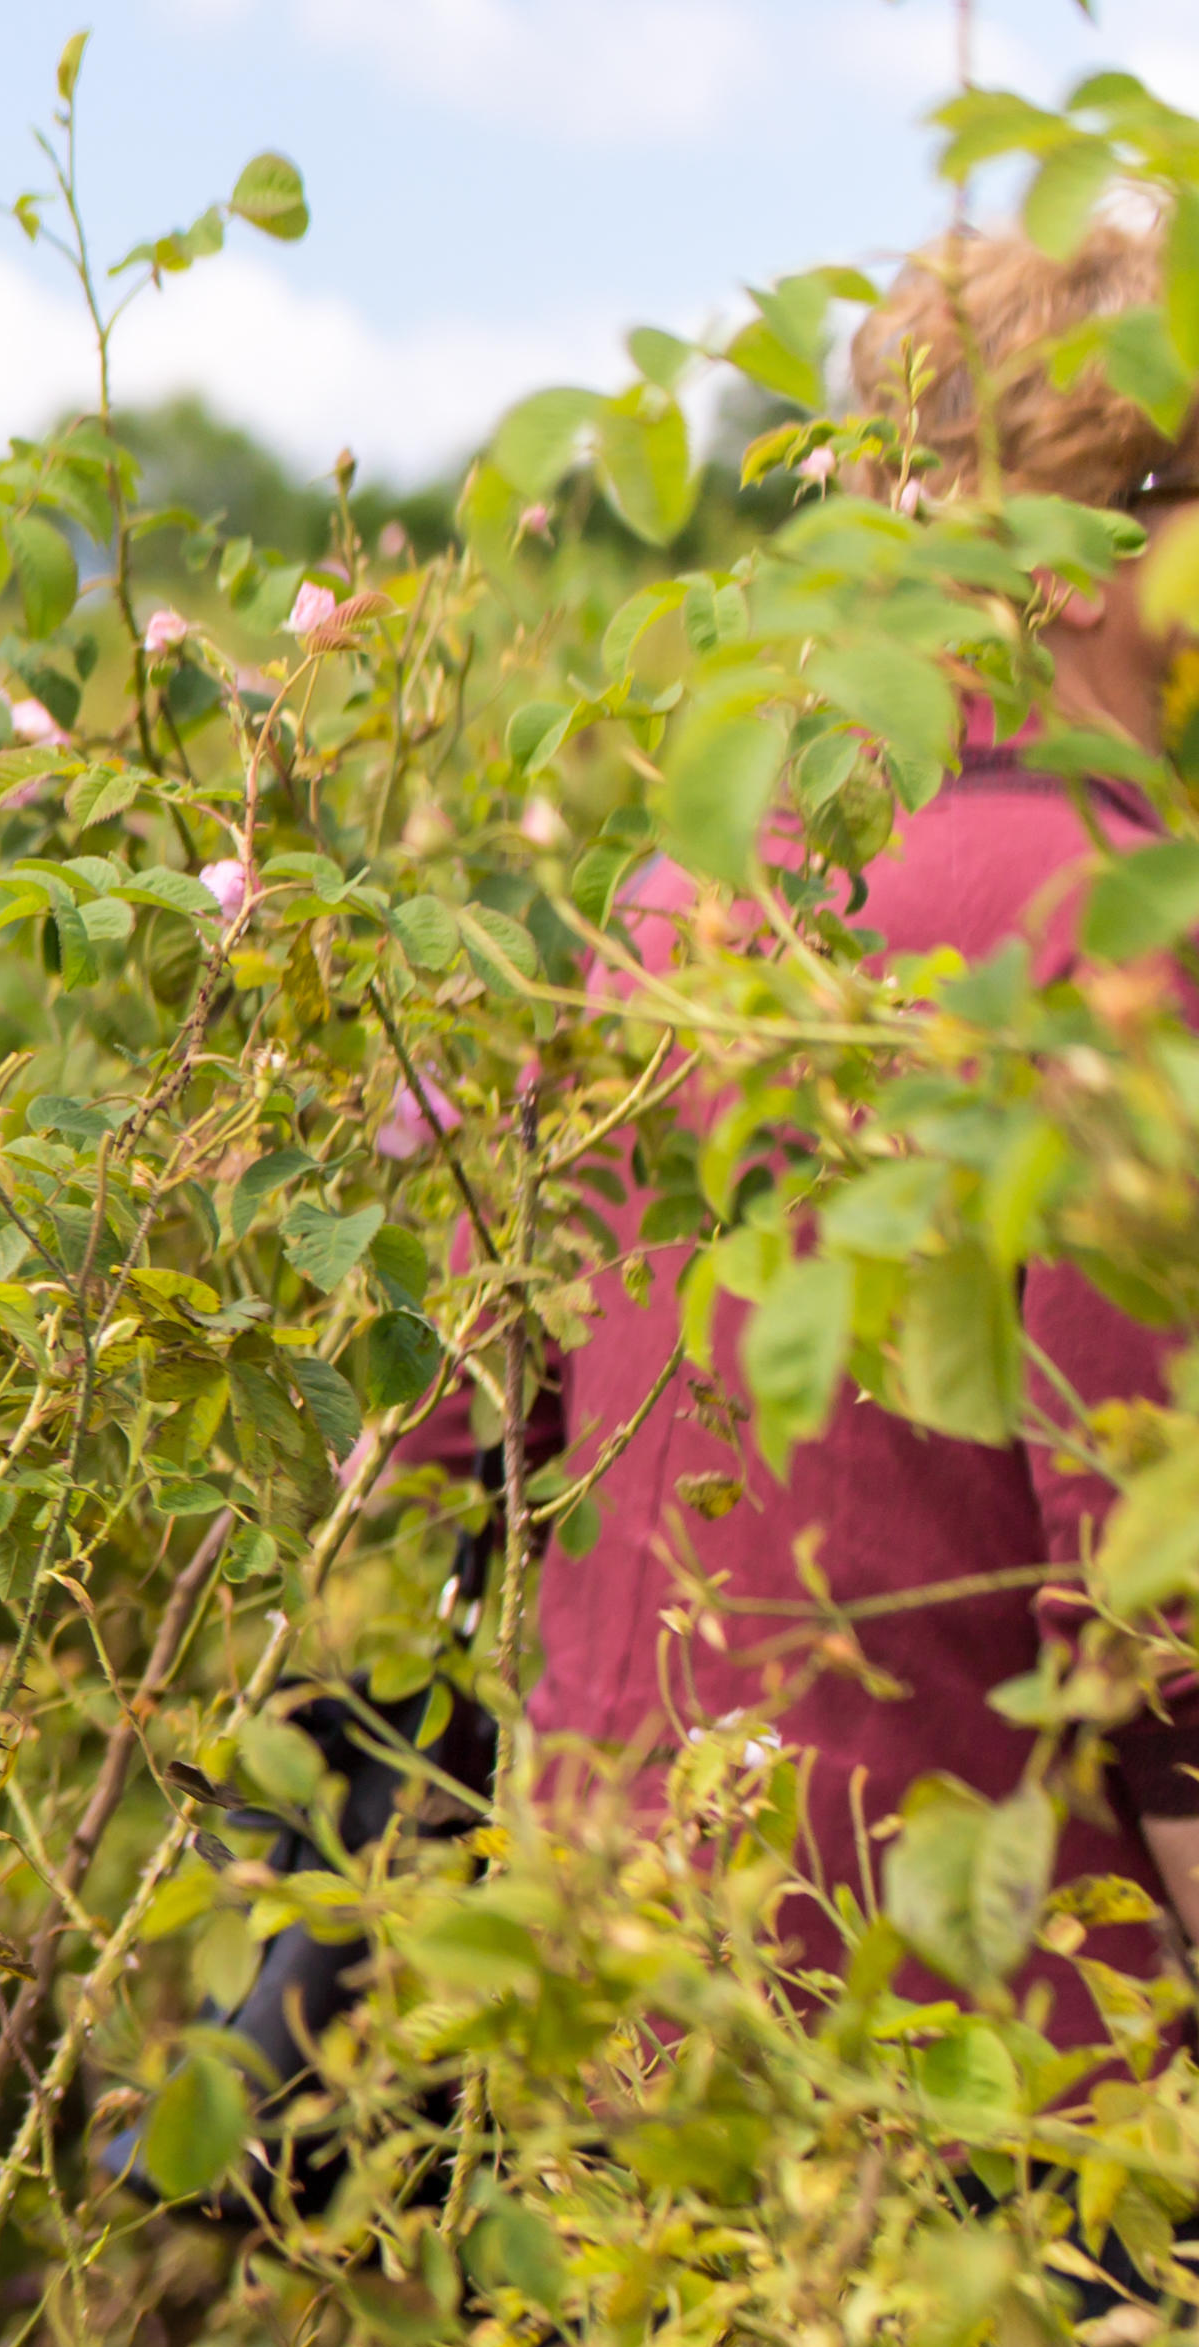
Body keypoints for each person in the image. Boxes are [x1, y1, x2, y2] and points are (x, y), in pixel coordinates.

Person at [485, 213, 1199, 2067]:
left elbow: (487, 1436)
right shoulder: (1113, 930)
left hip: (617, 2008)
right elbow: (1164, 1610)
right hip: (999, 2083)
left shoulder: (683, 886)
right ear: (1098, 549)